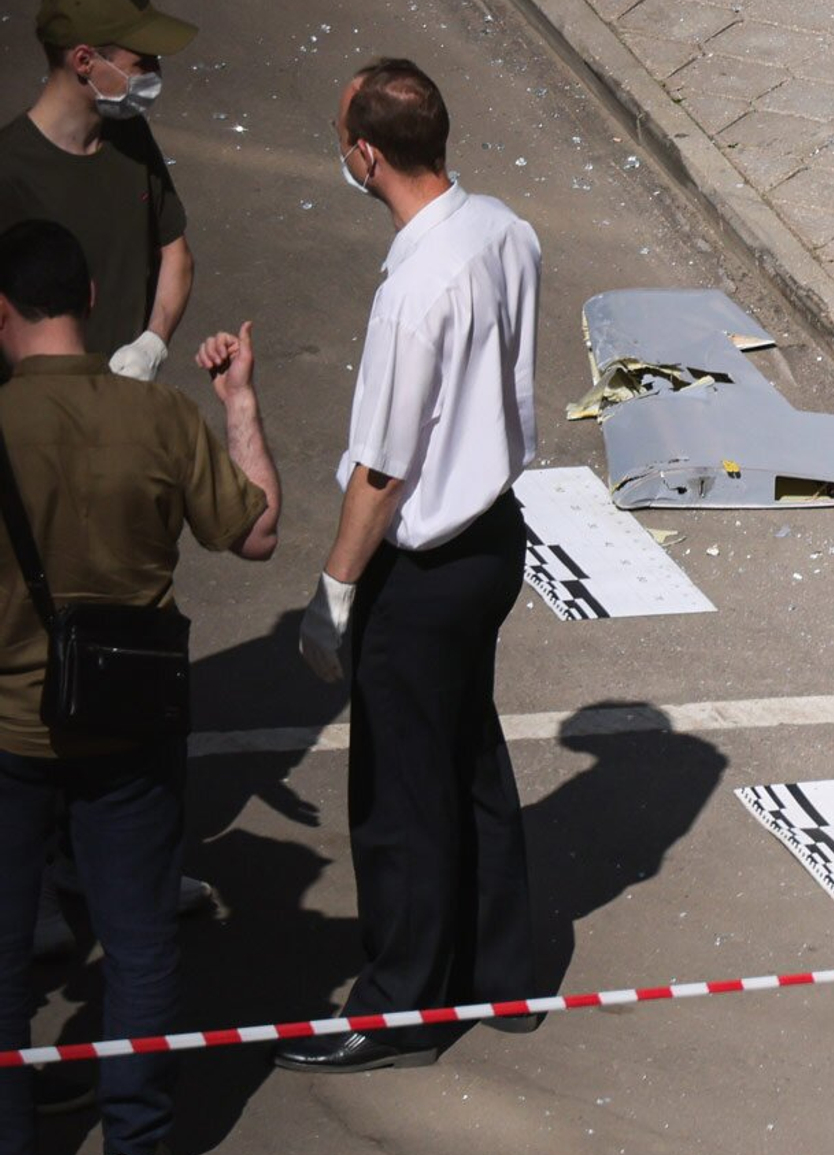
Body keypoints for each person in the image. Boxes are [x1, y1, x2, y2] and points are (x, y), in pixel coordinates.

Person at [272, 58, 540, 1075]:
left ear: (366, 154)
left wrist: (333, 594)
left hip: (424, 569)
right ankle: (501, 975)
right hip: (492, 541)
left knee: (399, 795)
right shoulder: (503, 228)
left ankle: (399, 1009)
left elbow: (381, 473)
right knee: (469, 755)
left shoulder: (414, 290)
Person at [0, 218, 280, 1155]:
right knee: (141, 947)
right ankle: (140, 1136)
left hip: (8, 733)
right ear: (89, 301)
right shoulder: (158, 417)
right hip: (132, 723)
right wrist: (239, 401)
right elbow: (256, 532)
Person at [0, 0, 198, 383]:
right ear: (84, 61)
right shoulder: (9, 170)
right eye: (142, 61)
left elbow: (176, 254)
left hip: (124, 401)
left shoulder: (130, 137)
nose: (155, 71)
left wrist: (152, 344)